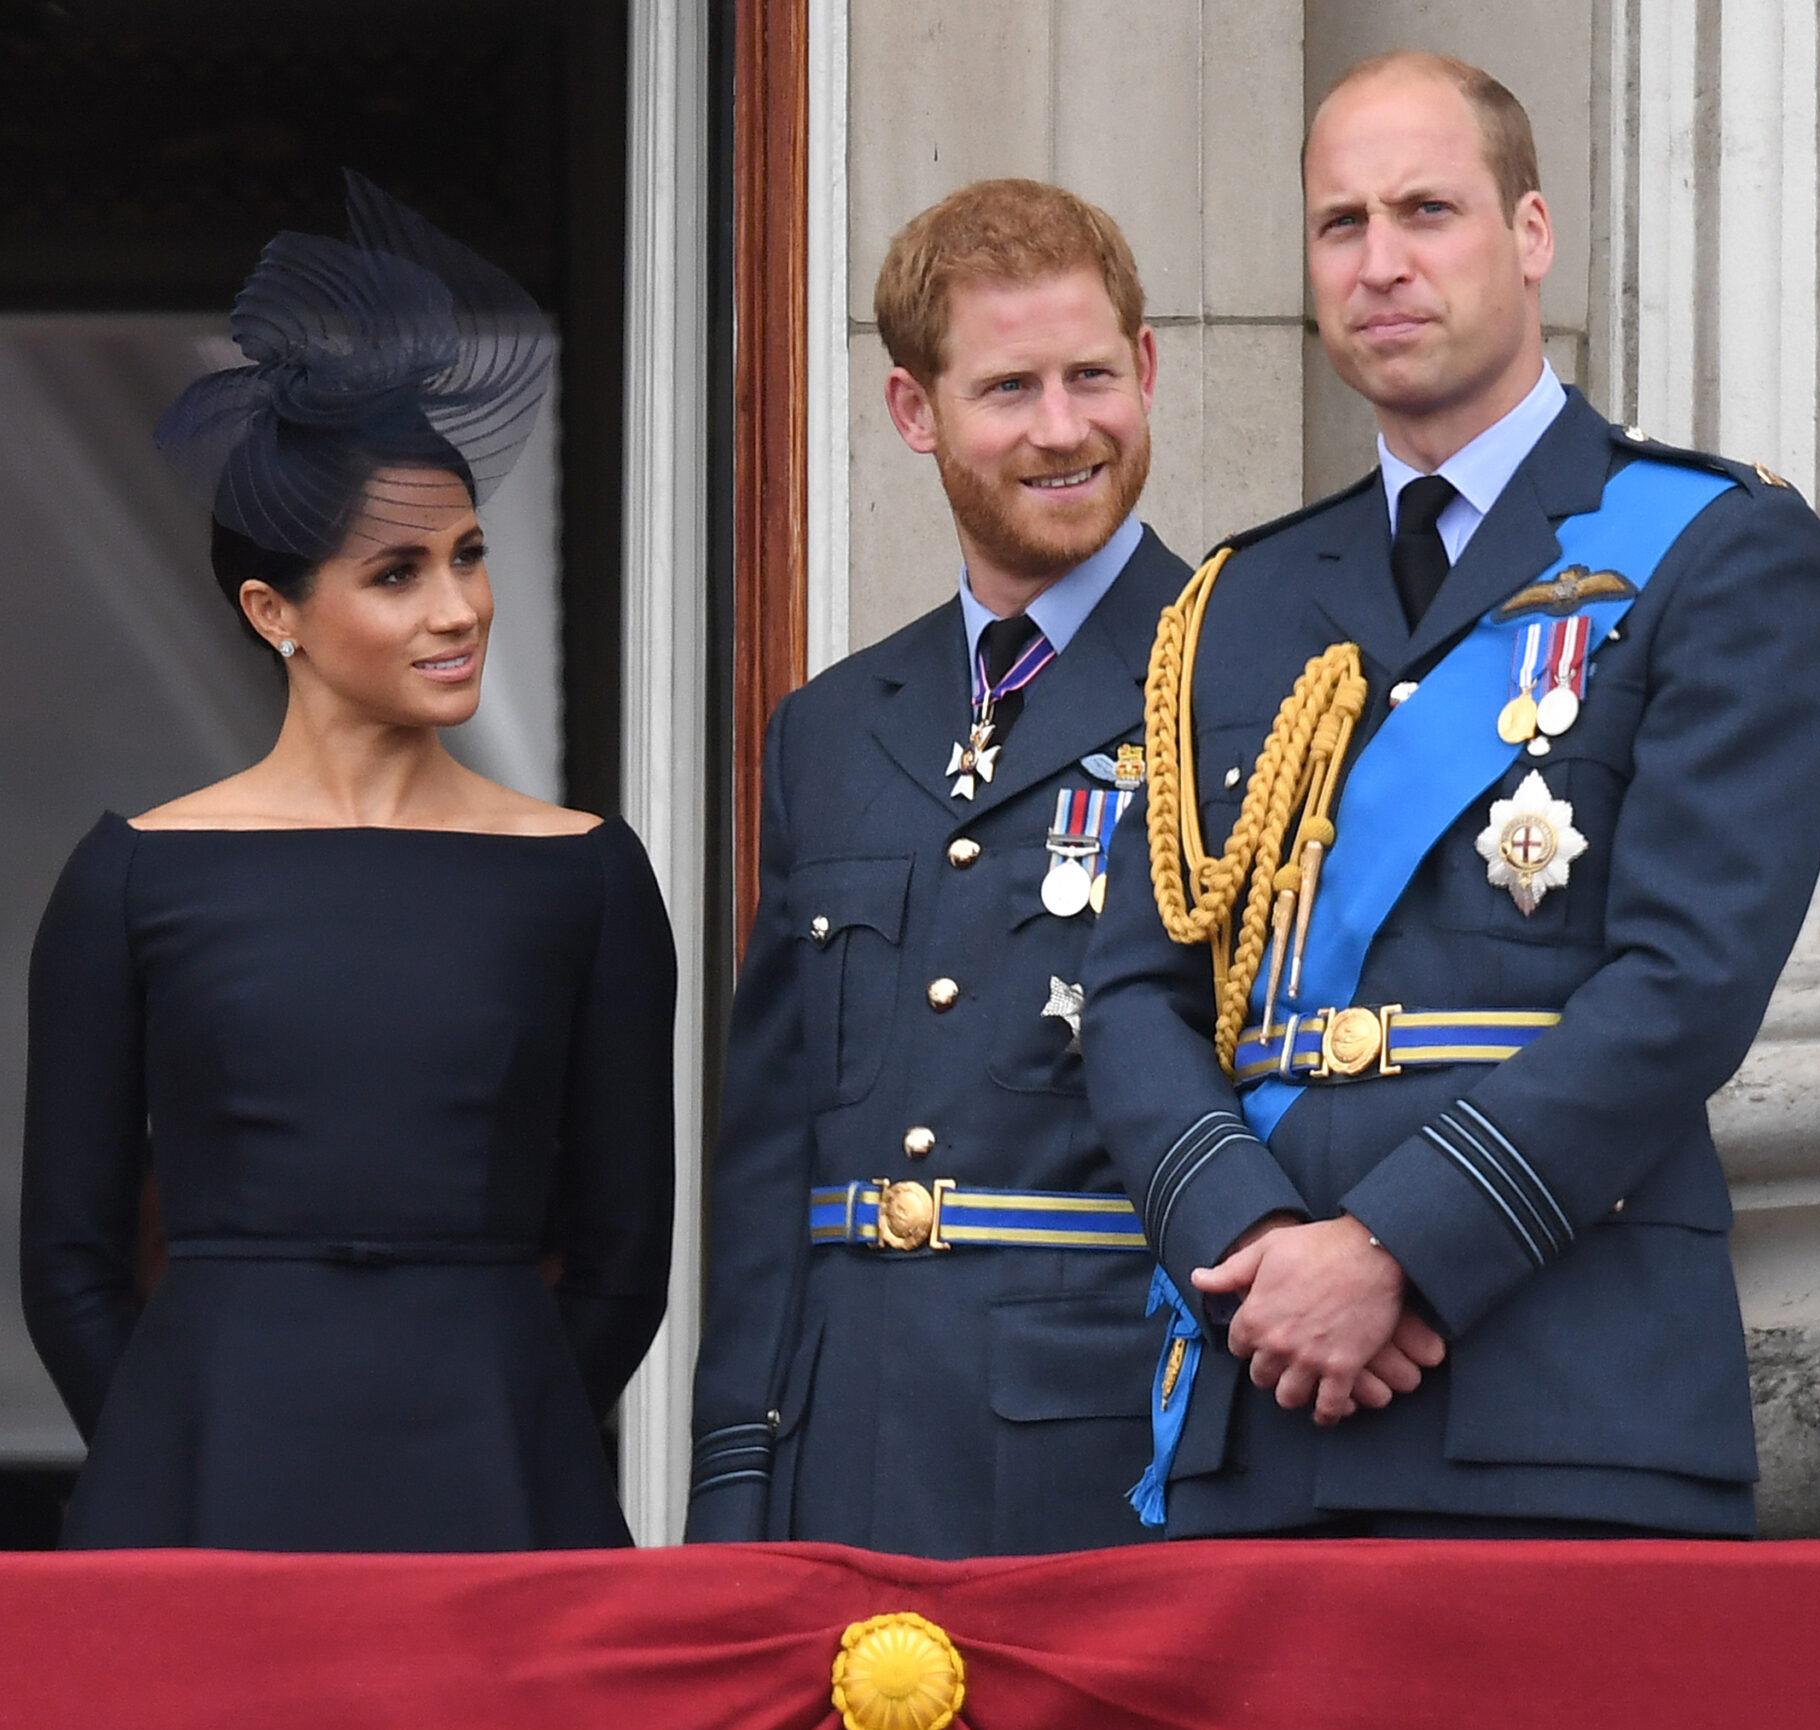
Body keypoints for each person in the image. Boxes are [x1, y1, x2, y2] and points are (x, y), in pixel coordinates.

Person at [1079, 52, 1820, 1539]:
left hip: (1566, 1395)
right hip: (1265, 1397)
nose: (1382, 263)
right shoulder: (1233, 603)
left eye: (1427, 211)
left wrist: (1395, 1248)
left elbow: (1687, 982)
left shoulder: (1712, 547)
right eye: (1341, 224)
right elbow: (1132, 996)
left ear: (1532, 234)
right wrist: (1254, 1246)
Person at [19, 173, 675, 1551]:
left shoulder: (588, 876)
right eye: (398, 573)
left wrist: (516, 1424)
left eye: (470, 554)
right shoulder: (134, 876)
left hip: (501, 1494)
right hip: (201, 1500)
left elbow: (626, 1263)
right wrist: (168, 1443)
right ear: (275, 611)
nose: (459, 608)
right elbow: (68, 1262)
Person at [684, 179, 1188, 1554]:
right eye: (1009, 388)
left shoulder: (1249, 679)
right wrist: (736, 1484)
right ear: (917, 413)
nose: (1063, 428)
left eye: (1093, 375)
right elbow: (770, 1155)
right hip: (839, 1452)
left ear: (1145, 370)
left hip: (1109, 1464)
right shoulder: (835, 729)